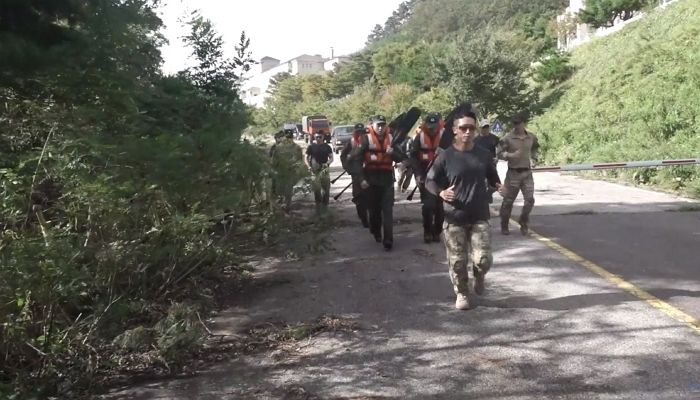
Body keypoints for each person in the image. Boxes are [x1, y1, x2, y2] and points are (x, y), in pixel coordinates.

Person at [425, 110, 502, 310]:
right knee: (458, 262)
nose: (467, 131)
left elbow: (493, 177)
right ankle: (462, 293)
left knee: (483, 260)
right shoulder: (445, 157)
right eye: (463, 128)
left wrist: (499, 185)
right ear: (454, 130)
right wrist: (441, 193)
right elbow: (429, 181)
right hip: (454, 217)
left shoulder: (483, 155)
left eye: (471, 127)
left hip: (479, 215)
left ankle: (479, 276)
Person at [348, 115, 404, 251]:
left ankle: (388, 240)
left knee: (387, 210)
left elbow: (401, 157)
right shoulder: (365, 139)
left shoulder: (391, 139)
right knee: (374, 212)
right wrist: (361, 179)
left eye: (382, 125)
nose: (380, 127)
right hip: (370, 180)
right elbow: (356, 161)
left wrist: (393, 154)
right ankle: (376, 231)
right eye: (378, 125)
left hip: (387, 180)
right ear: (372, 125)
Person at [497, 114, 540, 235]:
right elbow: (499, 153)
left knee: (530, 200)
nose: (516, 126)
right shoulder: (507, 138)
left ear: (524, 123)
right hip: (513, 173)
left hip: (527, 173)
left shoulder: (531, 137)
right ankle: (504, 225)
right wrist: (511, 155)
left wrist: (534, 158)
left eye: (518, 123)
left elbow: (535, 148)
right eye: (514, 123)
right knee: (508, 201)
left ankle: (523, 220)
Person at [410, 113, 446, 244]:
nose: (432, 128)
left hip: (441, 176)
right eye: (429, 126)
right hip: (425, 176)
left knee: (439, 207)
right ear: (426, 125)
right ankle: (427, 231)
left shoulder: (445, 137)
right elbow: (413, 157)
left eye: (434, 125)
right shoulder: (419, 137)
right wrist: (418, 175)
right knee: (428, 206)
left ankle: (437, 231)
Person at [340, 123, 369, 227]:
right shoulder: (350, 143)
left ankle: (373, 216)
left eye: (362, 132)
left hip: (369, 172)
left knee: (370, 195)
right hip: (356, 173)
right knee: (358, 196)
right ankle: (363, 218)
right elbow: (343, 157)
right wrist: (349, 169)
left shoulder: (369, 141)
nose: (360, 134)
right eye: (358, 132)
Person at [271, 129, 306, 210]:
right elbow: (274, 160)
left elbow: (300, 160)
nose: (288, 139)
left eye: (290, 137)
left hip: (290, 172)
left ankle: (287, 206)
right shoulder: (278, 148)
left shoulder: (297, 148)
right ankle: (281, 205)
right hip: (280, 172)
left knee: (288, 190)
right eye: (287, 137)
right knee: (279, 190)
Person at [474, 119, 501, 204]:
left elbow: (499, 149)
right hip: (480, 164)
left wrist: (497, 157)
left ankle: (488, 194)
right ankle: (483, 203)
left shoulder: (494, 138)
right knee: (482, 184)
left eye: (487, 127)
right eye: (483, 127)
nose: (485, 129)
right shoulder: (476, 140)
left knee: (496, 184)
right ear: (480, 128)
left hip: (491, 164)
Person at [305, 132, 334, 209]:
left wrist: (327, 163)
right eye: (317, 137)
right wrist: (309, 166)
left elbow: (331, 158)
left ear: (323, 137)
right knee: (317, 188)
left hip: (324, 169)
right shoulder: (311, 146)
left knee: (326, 189)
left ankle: (325, 205)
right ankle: (318, 204)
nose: (318, 138)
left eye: (320, 137)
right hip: (315, 170)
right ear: (314, 137)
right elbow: (306, 157)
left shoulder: (327, 147)